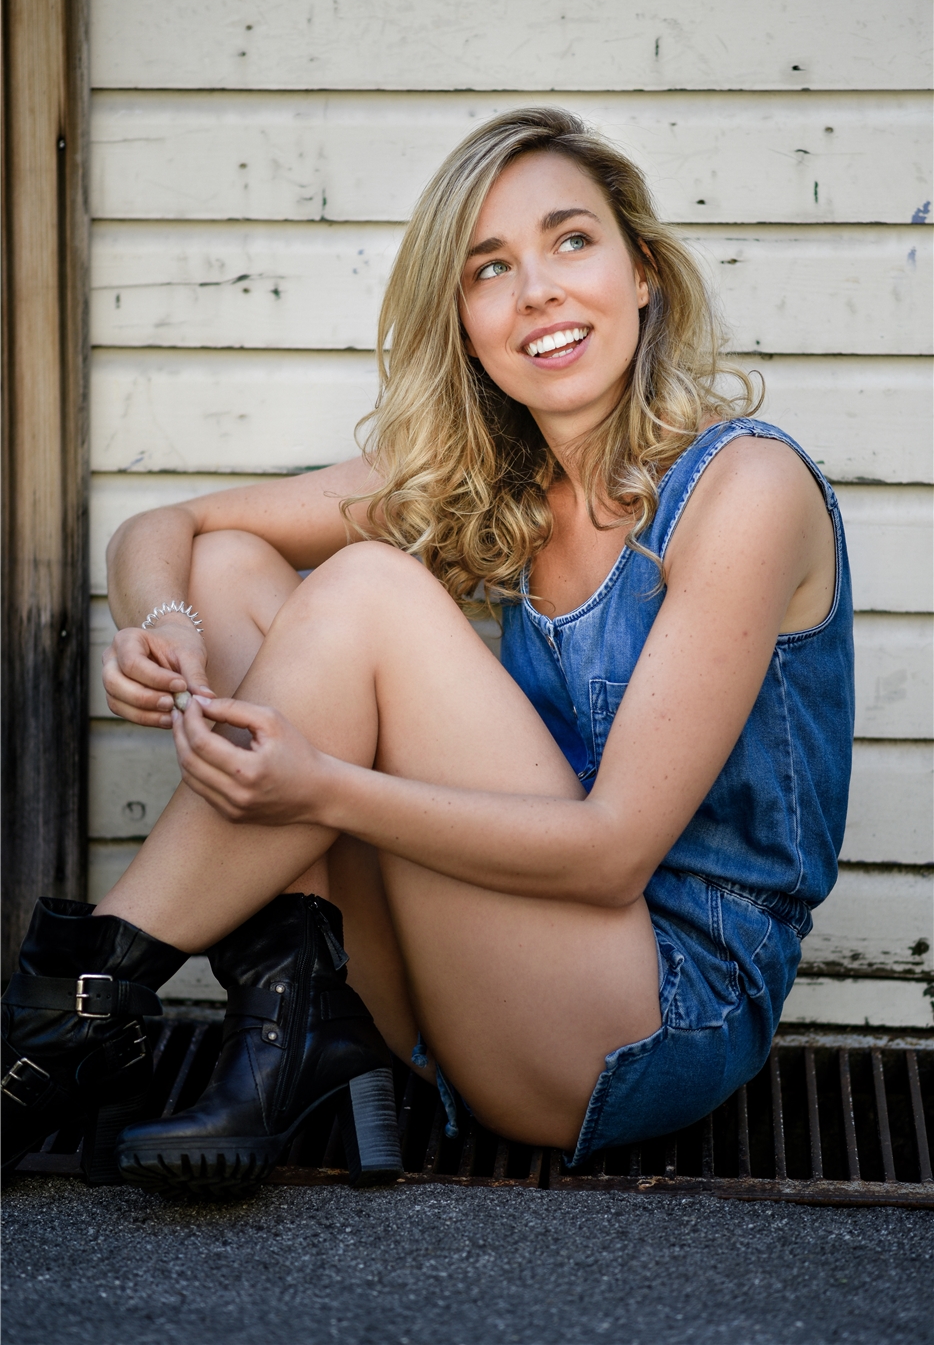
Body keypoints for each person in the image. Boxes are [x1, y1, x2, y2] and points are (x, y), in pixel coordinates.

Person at [1, 108, 853, 1199]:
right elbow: (173, 528)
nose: (536, 290)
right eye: (489, 268)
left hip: (649, 1022)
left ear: (642, 271)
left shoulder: (746, 488)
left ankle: (74, 1003)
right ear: (463, 322)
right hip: (476, 991)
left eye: (570, 240)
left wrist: (323, 787)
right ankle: (290, 1018)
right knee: (231, 570)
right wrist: (166, 623)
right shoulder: (493, 481)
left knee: (368, 588)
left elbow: (611, 855)